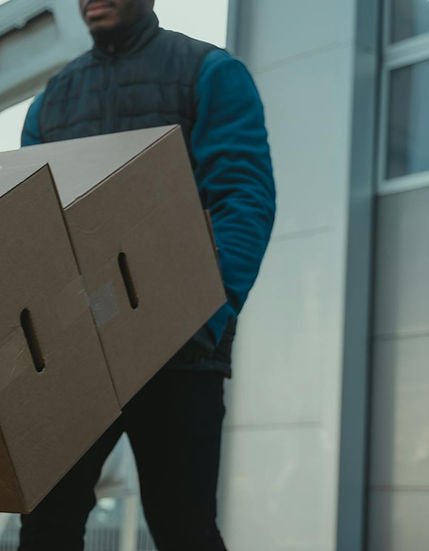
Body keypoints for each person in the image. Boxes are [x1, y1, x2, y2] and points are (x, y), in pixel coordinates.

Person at [18, 1, 275, 549]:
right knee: (45, 526)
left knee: (183, 529)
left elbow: (242, 199)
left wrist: (208, 315)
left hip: (181, 348)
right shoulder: (51, 101)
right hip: (80, 349)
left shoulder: (209, 73)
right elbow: (30, 229)